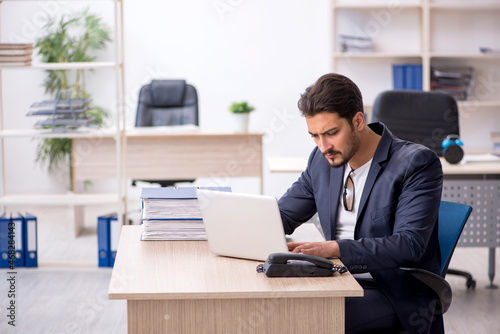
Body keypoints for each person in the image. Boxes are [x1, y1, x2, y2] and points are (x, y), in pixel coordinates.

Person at [278, 73, 444, 334]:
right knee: (273, 306)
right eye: (314, 135)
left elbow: (408, 245)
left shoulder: (416, 163)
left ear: (358, 120)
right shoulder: (322, 160)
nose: (324, 146)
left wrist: (334, 248)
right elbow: (282, 215)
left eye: (331, 133)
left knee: (300, 319)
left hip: (392, 291)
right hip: (336, 280)